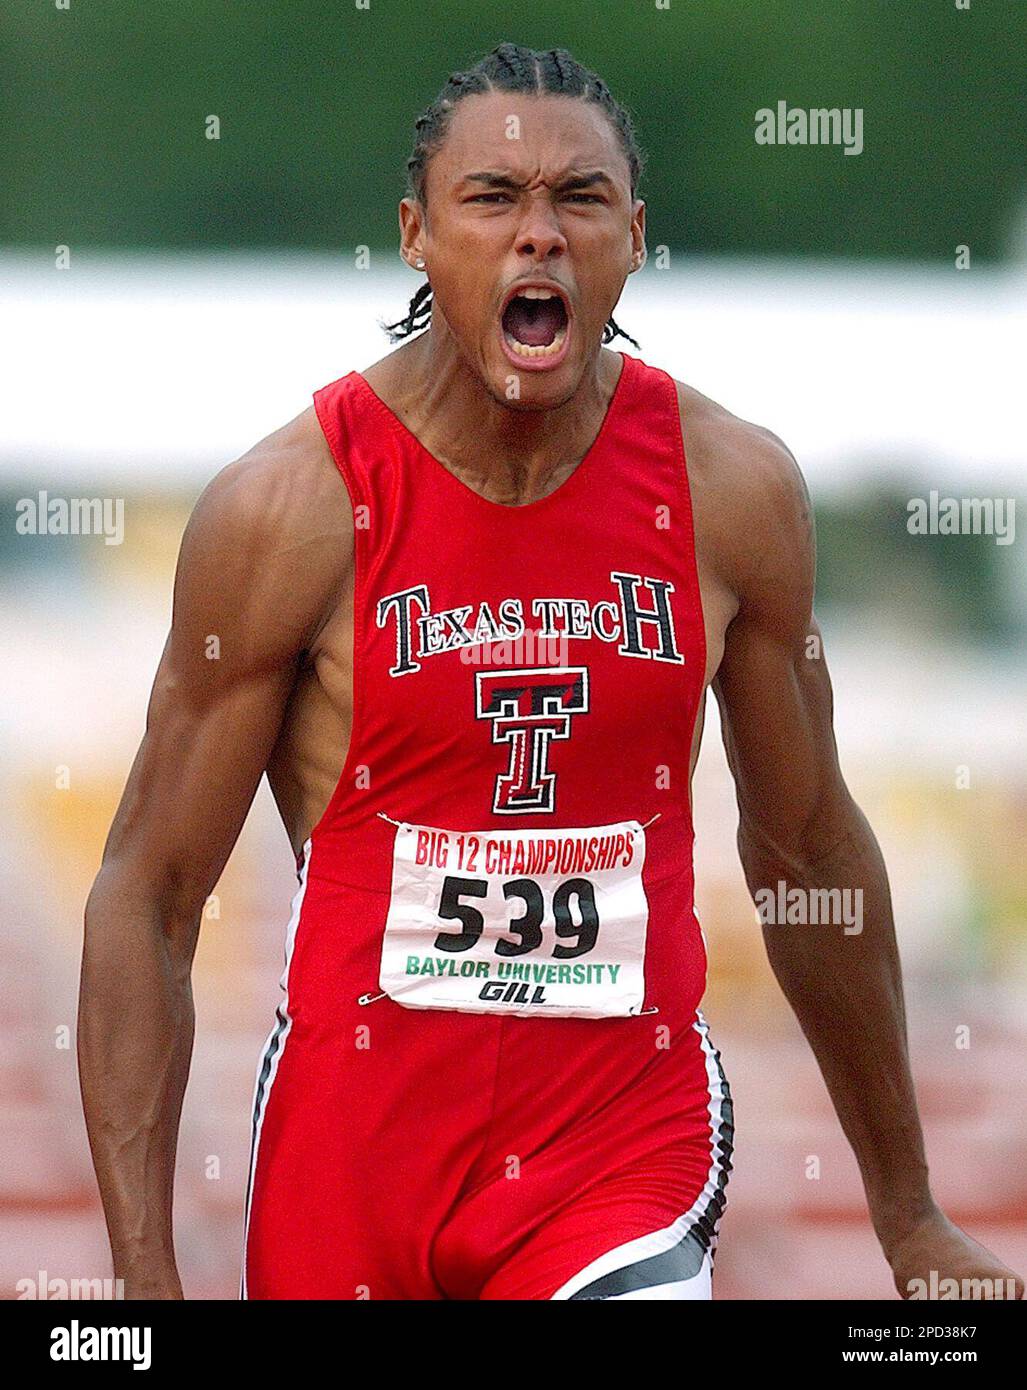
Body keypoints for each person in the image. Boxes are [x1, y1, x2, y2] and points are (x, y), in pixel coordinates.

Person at [79, 42, 1023, 1301]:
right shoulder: (290, 509)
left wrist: (907, 1217)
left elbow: (806, 850)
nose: (540, 237)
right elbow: (146, 895)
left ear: (633, 236)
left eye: (579, 200)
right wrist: (142, 1286)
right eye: (493, 200)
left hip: (616, 1146)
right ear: (416, 235)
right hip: (353, 1150)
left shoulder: (728, 490)